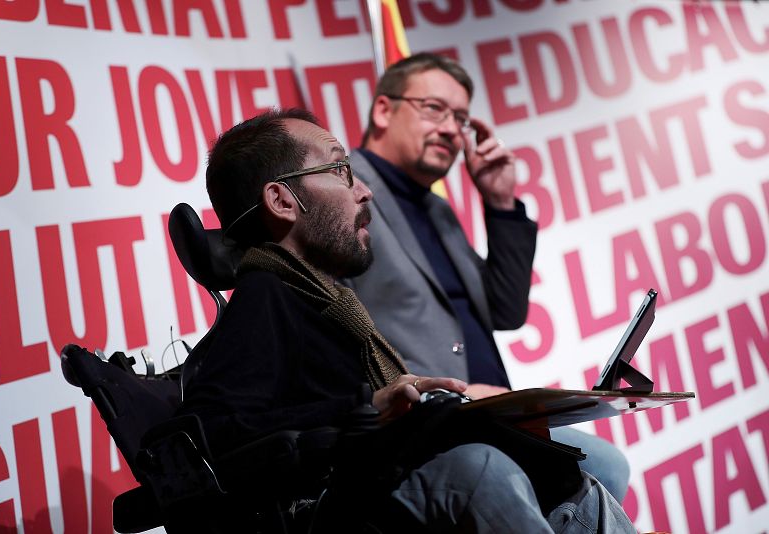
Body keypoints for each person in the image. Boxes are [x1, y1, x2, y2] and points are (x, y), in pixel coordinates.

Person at [176, 108, 636, 533]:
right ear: (282, 200)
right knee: (481, 469)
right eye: (340, 171)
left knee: (599, 462)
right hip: (338, 502)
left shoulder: (327, 296)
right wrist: (363, 408)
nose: (364, 190)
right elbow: (206, 434)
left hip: (385, 463)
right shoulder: (267, 295)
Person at [345, 52, 631, 502]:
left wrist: (499, 203)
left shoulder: (435, 208)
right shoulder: (344, 193)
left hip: (497, 415)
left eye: (460, 118)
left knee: (607, 466)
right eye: (434, 109)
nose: (449, 128)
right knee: (602, 468)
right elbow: (333, 331)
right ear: (384, 109)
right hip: (430, 421)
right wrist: (440, 393)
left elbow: (505, 309)